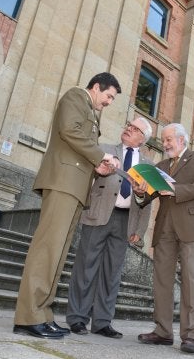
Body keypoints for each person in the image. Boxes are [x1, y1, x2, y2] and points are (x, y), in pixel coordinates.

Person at [13, 72, 122, 339]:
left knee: (58, 255)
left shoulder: (91, 110)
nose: (109, 102)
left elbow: (77, 145)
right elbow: (69, 130)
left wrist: (97, 166)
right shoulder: (76, 96)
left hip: (75, 187)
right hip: (63, 182)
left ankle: (42, 314)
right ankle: (28, 316)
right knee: (46, 251)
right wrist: (101, 154)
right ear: (97, 87)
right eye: (108, 96)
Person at [66, 117, 153, 338]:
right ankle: (77, 318)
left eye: (134, 129)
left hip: (126, 221)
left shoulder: (148, 166)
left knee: (112, 273)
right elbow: (86, 175)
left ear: (142, 139)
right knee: (86, 266)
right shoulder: (104, 149)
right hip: (99, 213)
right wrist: (99, 169)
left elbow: (147, 203)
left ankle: (102, 322)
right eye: (128, 126)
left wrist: (139, 231)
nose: (128, 129)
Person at [135, 123, 194, 355]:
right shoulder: (160, 166)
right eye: (164, 139)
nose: (165, 143)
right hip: (165, 229)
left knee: (192, 281)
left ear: (181, 140)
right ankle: (162, 332)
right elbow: (147, 197)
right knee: (162, 281)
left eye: (169, 139)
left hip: (191, 226)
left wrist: (176, 190)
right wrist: (141, 191)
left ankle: (192, 336)